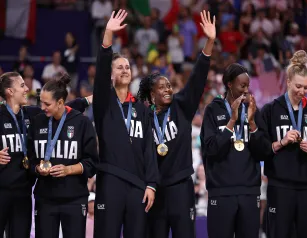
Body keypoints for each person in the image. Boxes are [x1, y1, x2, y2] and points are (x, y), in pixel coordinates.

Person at [137, 10, 215, 238]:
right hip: (155, 190)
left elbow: (198, 76)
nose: (168, 89)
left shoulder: (182, 105)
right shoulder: (143, 118)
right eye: (162, 87)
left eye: (169, 85)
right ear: (151, 95)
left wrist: (209, 42)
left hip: (181, 187)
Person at [0, 72, 92, 238]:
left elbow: (60, 107)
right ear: (9, 91)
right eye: (21, 86)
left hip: (23, 193)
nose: (26, 89)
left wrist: (85, 101)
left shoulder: (31, 114)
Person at [93, 10, 158, 238]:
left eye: (128, 67)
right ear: (111, 75)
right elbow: (100, 71)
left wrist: (151, 184)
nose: (125, 70)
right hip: (110, 181)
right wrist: (108, 34)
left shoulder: (141, 108)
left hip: (138, 186)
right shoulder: (103, 102)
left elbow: (149, 148)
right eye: (119, 67)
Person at [200, 63, 267, 238]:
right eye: (242, 85)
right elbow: (211, 149)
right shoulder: (213, 110)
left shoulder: (253, 111)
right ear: (229, 84)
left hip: (249, 192)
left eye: (248, 86)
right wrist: (231, 122)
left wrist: (252, 124)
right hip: (221, 192)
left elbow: (263, 152)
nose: (246, 90)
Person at [27, 74, 98, 238]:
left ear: (60, 103)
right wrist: (37, 168)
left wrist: (69, 170)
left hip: (74, 198)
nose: (42, 107)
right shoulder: (38, 122)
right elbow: (28, 160)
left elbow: (92, 163)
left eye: (47, 104)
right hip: (45, 198)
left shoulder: (82, 123)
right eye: (41, 102)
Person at [260, 50, 307, 238]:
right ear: (287, 82)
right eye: (298, 86)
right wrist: (281, 142)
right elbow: (260, 149)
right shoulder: (270, 110)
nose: (302, 91)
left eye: (306, 87)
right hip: (280, 187)